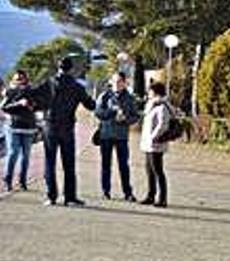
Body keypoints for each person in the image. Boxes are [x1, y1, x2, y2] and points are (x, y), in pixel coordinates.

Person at [40, 57, 96, 206]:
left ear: (58, 68)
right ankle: (70, 197)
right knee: (69, 164)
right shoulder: (77, 86)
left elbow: (36, 99)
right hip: (67, 128)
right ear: (71, 69)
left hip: (49, 126)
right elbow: (90, 105)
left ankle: (51, 196)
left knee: (49, 163)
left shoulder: (49, 83)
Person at [94, 72, 139, 201]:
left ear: (124, 83)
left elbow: (135, 116)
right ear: (110, 82)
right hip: (105, 135)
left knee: (124, 165)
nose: (117, 84)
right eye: (114, 81)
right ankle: (105, 191)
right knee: (105, 165)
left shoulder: (130, 98)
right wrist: (111, 112)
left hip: (121, 136)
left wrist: (125, 119)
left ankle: (128, 193)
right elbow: (98, 113)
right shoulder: (104, 96)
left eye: (119, 81)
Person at [2, 71, 38, 192]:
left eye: (22, 79)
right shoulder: (10, 92)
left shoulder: (32, 92)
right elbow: (3, 107)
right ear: (13, 80)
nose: (20, 81)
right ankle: (8, 180)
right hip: (13, 127)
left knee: (26, 156)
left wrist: (31, 105)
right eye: (17, 79)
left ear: (26, 80)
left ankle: (22, 181)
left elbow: (37, 106)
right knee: (13, 153)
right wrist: (19, 103)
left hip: (28, 128)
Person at [140, 81, 171, 208]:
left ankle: (162, 198)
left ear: (156, 92)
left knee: (158, 170)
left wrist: (154, 137)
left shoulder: (162, 106)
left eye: (150, 91)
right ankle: (150, 195)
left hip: (156, 144)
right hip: (148, 143)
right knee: (149, 170)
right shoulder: (151, 105)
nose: (148, 93)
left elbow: (163, 124)